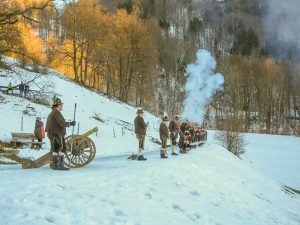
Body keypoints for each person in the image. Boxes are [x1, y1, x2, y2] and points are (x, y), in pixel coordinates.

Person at [46, 98, 76, 170]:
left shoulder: (53, 112)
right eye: (61, 105)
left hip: (53, 134)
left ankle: (55, 165)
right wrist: (70, 123)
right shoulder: (56, 112)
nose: (62, 106)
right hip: (57, 134)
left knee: (55, 149)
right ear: (59, 105)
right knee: (62, 148)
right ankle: (60, 165)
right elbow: (61, 123)